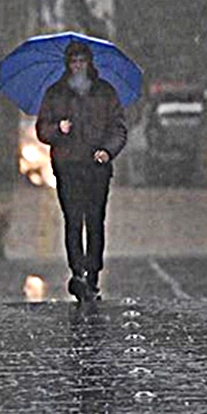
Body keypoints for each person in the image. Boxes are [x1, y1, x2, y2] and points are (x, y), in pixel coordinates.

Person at [35, 40, 128, 302]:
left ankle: (93, 274)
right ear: (68, 64)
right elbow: (42, 129)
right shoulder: (55, 94)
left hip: (97, 167)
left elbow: (118, 127)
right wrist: (58, 130)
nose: (78, 66)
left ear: (89, 63)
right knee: (73, 221)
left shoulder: (105, 93)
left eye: (82, 61)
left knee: (95, 221)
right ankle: (77, 271)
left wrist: (107, 151)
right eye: (74, 61)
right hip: (68, 167)